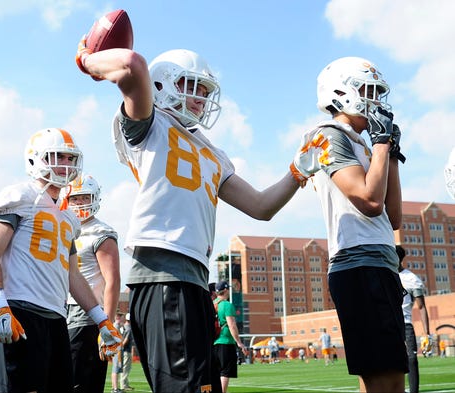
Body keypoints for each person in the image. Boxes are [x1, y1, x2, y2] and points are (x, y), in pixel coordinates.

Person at [75, 11, 332, 393]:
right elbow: (131, 64)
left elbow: (261, 207)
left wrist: (297, 172)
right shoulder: (150, 123)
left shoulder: (212, 152)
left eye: (205, 91)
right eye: (190, 85)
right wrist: (87, 61)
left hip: (195, 280)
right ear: (162, 85)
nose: (200, 98)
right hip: (162, 275)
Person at [0, 128, 122, 393]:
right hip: (20, 310)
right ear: (35, 160)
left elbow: (73, 275)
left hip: (56, 317)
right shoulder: (19, 196)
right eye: (58, 157)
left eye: (70, 158)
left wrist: (102, 319)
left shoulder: (68, 216)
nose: (65, 165)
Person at [310, 56, 408, 392]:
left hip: (379, 264)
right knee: (388, 381)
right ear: (341, 90)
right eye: (367, 90)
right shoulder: (327, 135)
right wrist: (380, 146)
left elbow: (392, 216)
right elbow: (368, 201)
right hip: (360, 265)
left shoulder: (364, 145)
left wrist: (390, 153)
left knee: (384, 380)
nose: (375, 100)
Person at [66, 173, 121, 393]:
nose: (79, 203)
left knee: (82, 382)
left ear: (95, 197)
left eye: (84, 197)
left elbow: (113, 280)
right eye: (75, 198)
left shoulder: (101, 232)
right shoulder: (65, 229)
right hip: (61, 311)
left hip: (86, 315)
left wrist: (105, 324)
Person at [397, 244, 431, 393]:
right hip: (387, 324)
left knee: (411, 359)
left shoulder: (411, 279)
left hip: (405, 325)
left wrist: (427, 334)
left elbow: (422, 307)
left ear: (398, 259)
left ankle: (413, 391)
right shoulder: (383, 275)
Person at [213, 281, 249, 393]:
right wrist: (239, 342)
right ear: (226, 290)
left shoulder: (212, 304)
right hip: (226, 342)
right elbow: (232, 325)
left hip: (213, 343)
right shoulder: (227, 305)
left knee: (216, 372)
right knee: (225, 372)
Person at [109, 313, 124, 393]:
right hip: (117, 349)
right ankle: (115, 389)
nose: (122, 318)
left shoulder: (117, 325)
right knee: (116, 368)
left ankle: (114, 387)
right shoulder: (116, 325)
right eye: (121, 316)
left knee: (116, 368)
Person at [120, 313, 134, 391]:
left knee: (124, 368)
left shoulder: (123, 327)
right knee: (126, 368)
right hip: (126, 350)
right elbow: (126, 340)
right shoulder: (129, 328)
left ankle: (125, 384)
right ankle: (124, 385)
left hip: (123, 350)